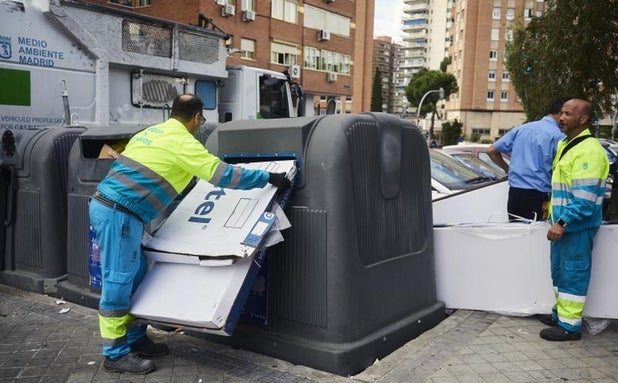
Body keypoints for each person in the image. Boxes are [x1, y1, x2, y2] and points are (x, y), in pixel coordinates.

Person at [89, 94, 292, 374]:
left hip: (117, 210)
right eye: (201, 120)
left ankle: (135, 338)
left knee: (135, 276)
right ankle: (114, 353)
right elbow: (222, 175)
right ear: (197, 118)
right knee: (119, 280)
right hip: (119, 214)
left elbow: (158, 170)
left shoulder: (150, 133)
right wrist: (268, 178)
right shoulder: (182, 141)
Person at [540, 98, 609, 341]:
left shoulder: (589, 151)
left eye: (568, 114)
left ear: (584, 119)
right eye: (561, 112)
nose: (562, 117)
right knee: (560, 274)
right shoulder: (566, 144)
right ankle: (560, 315)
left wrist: (562, 222)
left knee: (573, 274)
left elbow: (585, 198)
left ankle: (570, 328)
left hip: (574, 227)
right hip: (563, 226)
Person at [487, 98, 569, 221]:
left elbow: (492, 151)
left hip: (515, 193)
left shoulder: (522, 129)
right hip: (539, 195)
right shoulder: (558, 136)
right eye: (566, 114)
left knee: (516, 233)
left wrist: (507, 169)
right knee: (537, 235)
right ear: (560, 112)